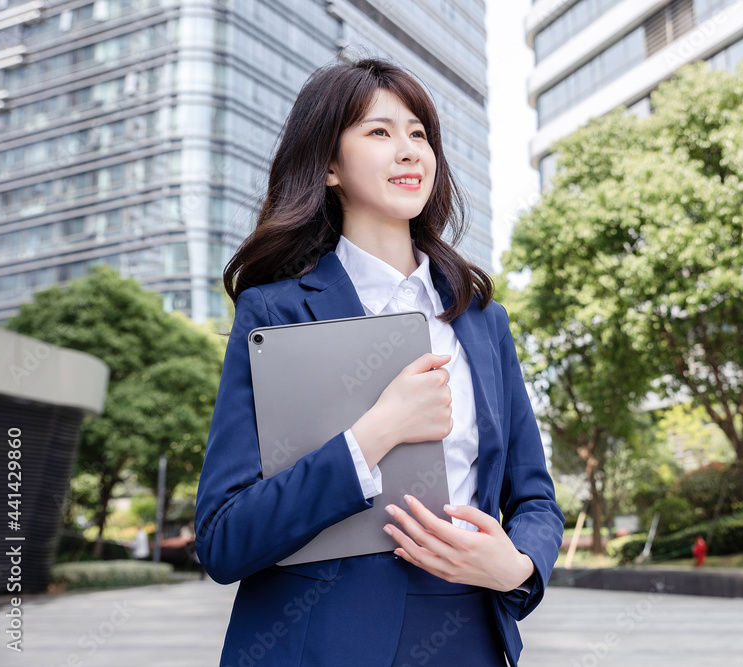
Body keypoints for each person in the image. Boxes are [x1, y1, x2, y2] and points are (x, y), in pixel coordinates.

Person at [194, 57, 564, 667]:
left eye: (419, 134)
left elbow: (535, 499)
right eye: (379, 132)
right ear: (330, 166)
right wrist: (374, 435)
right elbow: (223, 538)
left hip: (466, 634)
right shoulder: (275, 310)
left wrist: (519, 565)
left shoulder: (480, 318)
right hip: (318, 639)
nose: (409, 150)